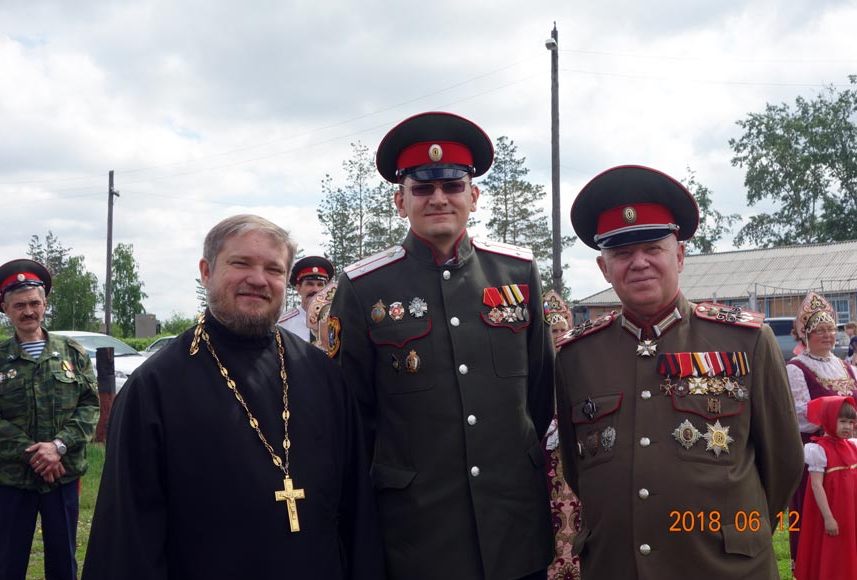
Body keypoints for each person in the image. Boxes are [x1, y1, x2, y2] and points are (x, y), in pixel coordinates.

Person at [82, 215, 384, 580]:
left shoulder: (324, 375)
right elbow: (129, 536)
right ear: (206, 272)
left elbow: (356, 510)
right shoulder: (154, 388)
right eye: (241, 263)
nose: (257, 279)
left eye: (273, 269)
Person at [329, 112, 555, 580]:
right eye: (422, 188)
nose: (438, 199)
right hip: (417, 535)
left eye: (452, 186)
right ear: (400, 200)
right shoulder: (364, 287)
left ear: (474, 196)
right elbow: (353, 415)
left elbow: (540, 391)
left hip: (512, 526)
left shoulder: (517, 273)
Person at [555, 165, 804, 579]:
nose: (639, 263)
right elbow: (579, 469)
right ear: (603, 268)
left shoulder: (746, 340)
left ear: (681, 256)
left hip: (723, 570)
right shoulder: (576, 356)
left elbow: (784, 463)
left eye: (653, 248)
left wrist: (739, 536)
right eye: (622, 253)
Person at [0, 259, 99, 580]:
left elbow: (89, 406)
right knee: (7, 565)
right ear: (6, 309)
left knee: (63, 562)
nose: (28, 311)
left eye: (34, 303)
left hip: (62, 476)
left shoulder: (73, 353)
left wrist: (58, 446)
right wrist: (35, 454)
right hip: (13, 479)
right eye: (19, 305)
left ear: (45, 304)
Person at [785, 291, 857, 565]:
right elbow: (801, 415)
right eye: (820, 330)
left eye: (831, 329)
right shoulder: (796, 369)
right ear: (805, 334)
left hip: (850, 454)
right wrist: (837, 420)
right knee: (819, 515)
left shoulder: (846, 367)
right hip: (819, 457)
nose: (828, 335)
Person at [794, 395, 857, 580]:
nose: (848, 426)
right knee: (835, 547)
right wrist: (828, 518)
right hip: (834, 510)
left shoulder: (853, 446)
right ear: (829, 420)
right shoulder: (819, 451)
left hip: (851, 510)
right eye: (842, 421)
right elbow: (816, 485)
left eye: (851, 422)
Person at [541, 290, 581, 580]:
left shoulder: (578, 361)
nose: (557, 335)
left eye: (561, 329)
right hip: (545, 455)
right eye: (552, 330)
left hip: (573, 452)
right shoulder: (536, 364)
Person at [279, 256, 335, 341]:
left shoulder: (335, 321)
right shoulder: (284, 325)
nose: (316, 290)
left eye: (320, 284)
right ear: (298, 288)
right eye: (310, 284)